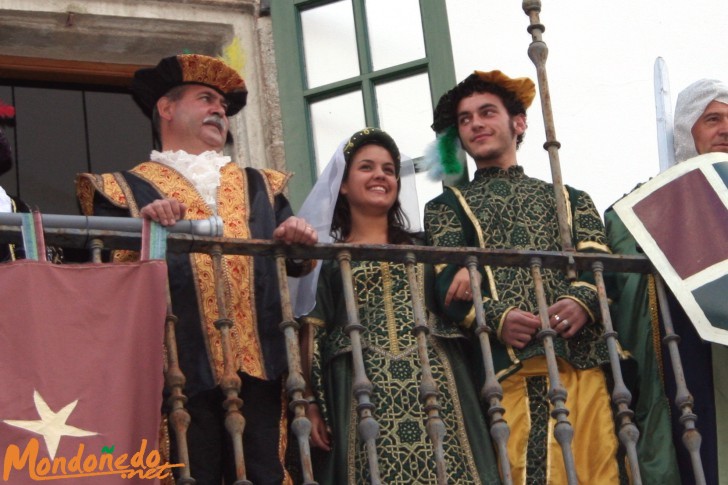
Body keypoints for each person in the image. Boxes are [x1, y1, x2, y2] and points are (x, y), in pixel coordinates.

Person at [76, 54, 318, 484]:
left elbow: (295, 264)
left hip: (261, 363)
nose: (219, 110)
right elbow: (98, 280)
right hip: (173, 366)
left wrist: (297, 234)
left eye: (223, 106)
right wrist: (140, 229)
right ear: (166, 109)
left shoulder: (262, 184)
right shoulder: (120, 188)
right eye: (206, 99)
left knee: (267, 473)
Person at [423, 70, 621, 484]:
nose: (475, 123)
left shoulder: (571, 197)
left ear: (519, 122)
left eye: (487, 112)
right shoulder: (447, 207)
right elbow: (447, 287)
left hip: (587, 361)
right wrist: (496, 317)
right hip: (512, 368)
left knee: (601, 471)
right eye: (465, 119)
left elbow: (598, 262)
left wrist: (581, 301)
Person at [298, 128, 501, 484]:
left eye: (389, 170)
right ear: (343, 185)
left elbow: (465, 278)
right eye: (367, 167)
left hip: (437, 383)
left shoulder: (428, 248)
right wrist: (309, 403)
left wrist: (472, 273)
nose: (380, 175)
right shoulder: (329, 261)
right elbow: (312, 333)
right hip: (359, 388)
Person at [605, 78, 728, 485]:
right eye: (712, 119)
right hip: (691, 361)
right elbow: (620, 251)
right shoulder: (648, 207)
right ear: (686, 132)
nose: (725, 129)